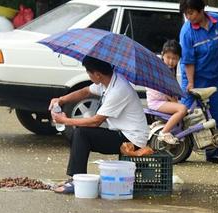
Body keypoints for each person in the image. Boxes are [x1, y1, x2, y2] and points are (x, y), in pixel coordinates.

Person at [49, 56, 151, 194]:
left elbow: (96, 121)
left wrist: (65, 121)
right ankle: (76, 178)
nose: (88, 76)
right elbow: (85, 91)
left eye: (88, 73)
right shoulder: (107, 81)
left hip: (131, 140)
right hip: (121, 133)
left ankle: (76, 180)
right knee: (80, 133)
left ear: (97, 74)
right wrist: (61, 100)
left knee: (82, 133)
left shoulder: (118, 90)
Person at [179, 0, 218, 164]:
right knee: (185, 111)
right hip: (194, 77)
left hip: (217, 76)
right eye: (186, 14)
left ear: (201, 10)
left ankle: (213, 153)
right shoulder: (187, 32)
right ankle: (176, 144)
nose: (188, 17)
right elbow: (188, 61)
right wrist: (190, 83)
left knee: (217, 114)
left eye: (191, 13)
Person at [146, 39, 187, 145]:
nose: (171, 61)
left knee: (185, 110)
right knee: (182, 109)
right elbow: (166, 91)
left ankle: (170, 129)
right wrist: (175, 101)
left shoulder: (169, 69)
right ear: (162, 55)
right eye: (168, 57)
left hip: (161, 100)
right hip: (156, 102)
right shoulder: (160, 69)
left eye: (174, 58)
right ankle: (164, 132)